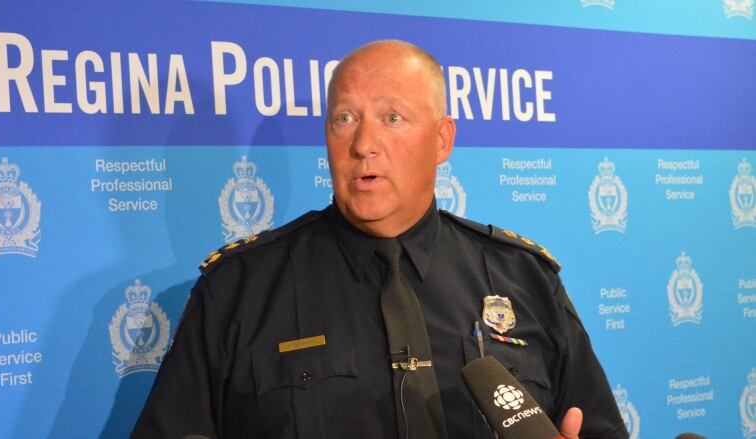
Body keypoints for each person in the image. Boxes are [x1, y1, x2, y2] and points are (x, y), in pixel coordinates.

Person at [133, 40, 627, 439]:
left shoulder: (524, 279)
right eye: (344, 119)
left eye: (392, 118)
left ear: (441, 140)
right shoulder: (238, 290)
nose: (363, 144)